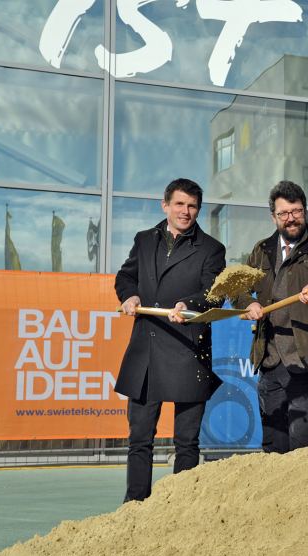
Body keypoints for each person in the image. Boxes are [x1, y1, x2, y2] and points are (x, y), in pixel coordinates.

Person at [115, 178, 226, 501]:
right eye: (179, 204)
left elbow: (213, 293)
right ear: (165, 205)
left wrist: (189, 305)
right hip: (145, 353)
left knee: (187, 442)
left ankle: (180, 509)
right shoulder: (144, 240)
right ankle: (134, 505)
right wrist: (129, 295)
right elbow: (126, 276)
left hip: (187, 351)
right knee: (139, 439)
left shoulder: (211, 249)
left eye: (192, 206)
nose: (185, 211)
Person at [241, 181, 308, 453]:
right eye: (284, 213)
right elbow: (238, 287)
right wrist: (248, 302)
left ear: (305, 211)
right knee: (274, 446)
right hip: (271, 361)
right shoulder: (261, 250)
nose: (291, 219)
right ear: (273, 217)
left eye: (296, 211)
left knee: (304, 448)